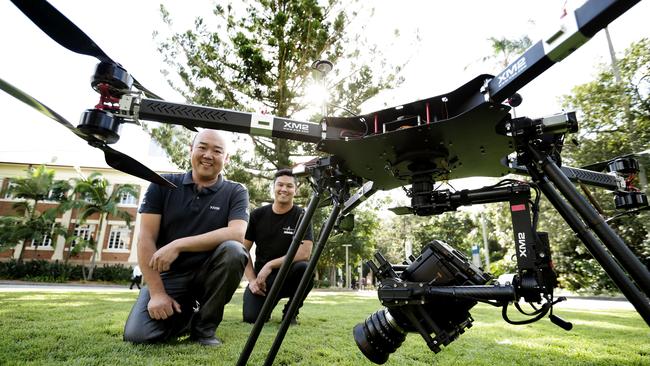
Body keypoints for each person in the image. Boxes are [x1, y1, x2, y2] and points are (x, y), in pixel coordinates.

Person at [123, 130, 249, 347]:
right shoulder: (161, 185)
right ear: (191, 150)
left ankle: (204, 329)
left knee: (234, 251)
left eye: (217, 151)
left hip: (208, 274)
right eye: (202, 147)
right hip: (170, 276)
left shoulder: (235, 191)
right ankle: (189, 314)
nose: (208, 155)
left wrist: (179, 245)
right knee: (138, 335)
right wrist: (157, 293)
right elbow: (146, 239)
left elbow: (237, 233)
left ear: (226, 158)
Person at [242, 169, 314, 325]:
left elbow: (305, 253)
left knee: (305, 268)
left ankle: (290, 312)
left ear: (295, 190)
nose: (284, 189)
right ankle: (266, 305)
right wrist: (252, 280)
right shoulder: (257, 215)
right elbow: (243, 251)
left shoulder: (302, 215)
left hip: (289, 276)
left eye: (289, 186)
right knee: (251, 318)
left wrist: (271, 264)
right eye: (280, 185)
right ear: (273, 187)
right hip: (263, 281)